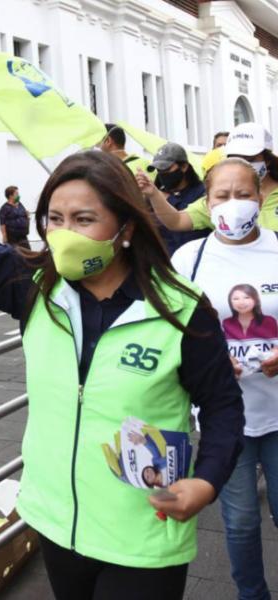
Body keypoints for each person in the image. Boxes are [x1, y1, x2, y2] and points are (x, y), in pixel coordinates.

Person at [0, 88, 245, 600]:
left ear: (124, 227)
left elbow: (224, 405)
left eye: (84, 219)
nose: (63, 234)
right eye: (54, 219)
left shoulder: (181, 308)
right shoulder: (33, 287)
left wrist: (205, 481)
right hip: (56, 524)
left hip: (143, 534)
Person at [168, 157, 278, 600]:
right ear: (206, 202)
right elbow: (171, 330)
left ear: (262, 196)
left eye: (243, 194)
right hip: (223, 421)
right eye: (222, 196)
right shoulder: (187, 259)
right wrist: (208, 363)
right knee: (241, 521)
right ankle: (252, 595)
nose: (233, 204)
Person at [137, 122, 278, 234]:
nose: (243, 164)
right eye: (236, 158)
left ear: (267, 159)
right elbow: (177, 221)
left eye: (250, 158)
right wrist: (154, 194)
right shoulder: (222, 197)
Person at [146, 142, 212, 255]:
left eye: (166, 169)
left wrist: (166, 199)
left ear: (184, 166)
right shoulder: (153, 195)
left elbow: (181, 219)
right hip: (165, 265)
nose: (162, 174)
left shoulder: (203, 193)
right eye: (159, 171)